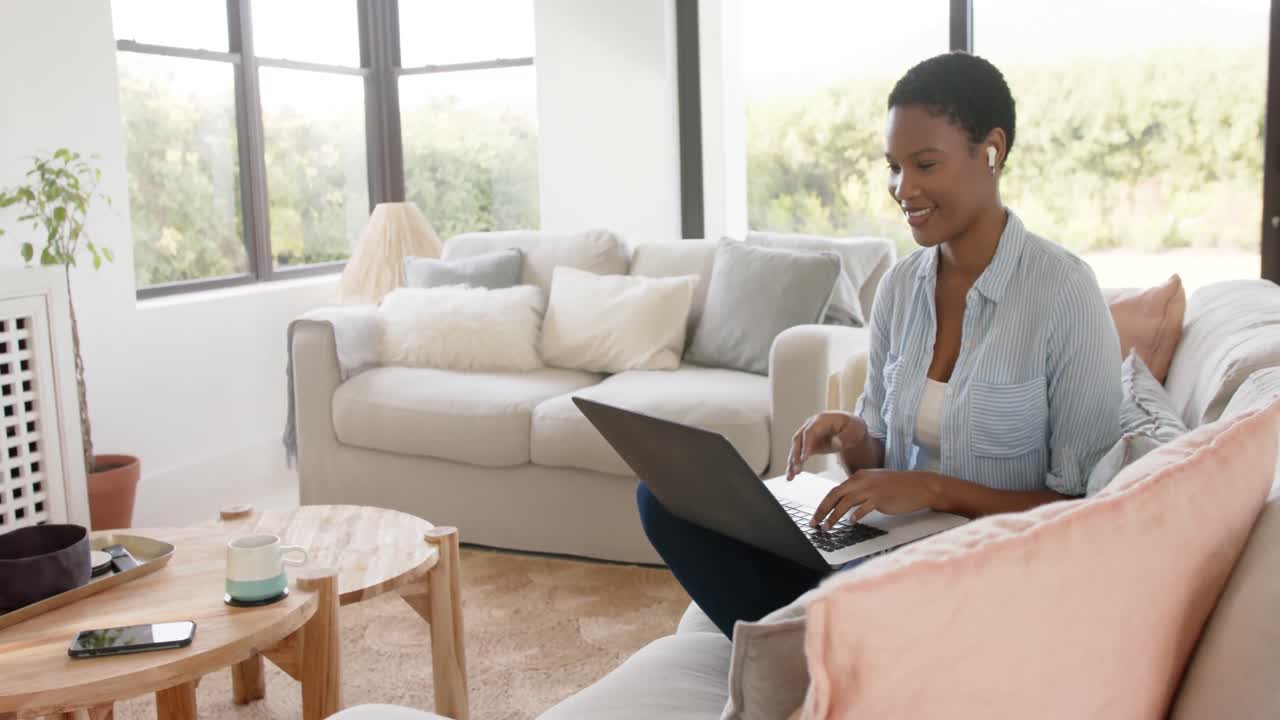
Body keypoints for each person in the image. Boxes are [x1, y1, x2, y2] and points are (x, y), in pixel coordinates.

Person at [636, 51, 1122, 639]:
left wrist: (935, 490)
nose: (902, 188)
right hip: (887, 551)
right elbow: (881, 461)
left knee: (824, 601)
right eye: (892, 166)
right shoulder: (900, 286)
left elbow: (1085, 509)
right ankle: (823, 641)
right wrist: (855, 437)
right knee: (666, 499)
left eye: (924, 164)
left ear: (991, 151)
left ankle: (818, 640)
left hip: (980, 571)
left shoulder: (1063, 292)